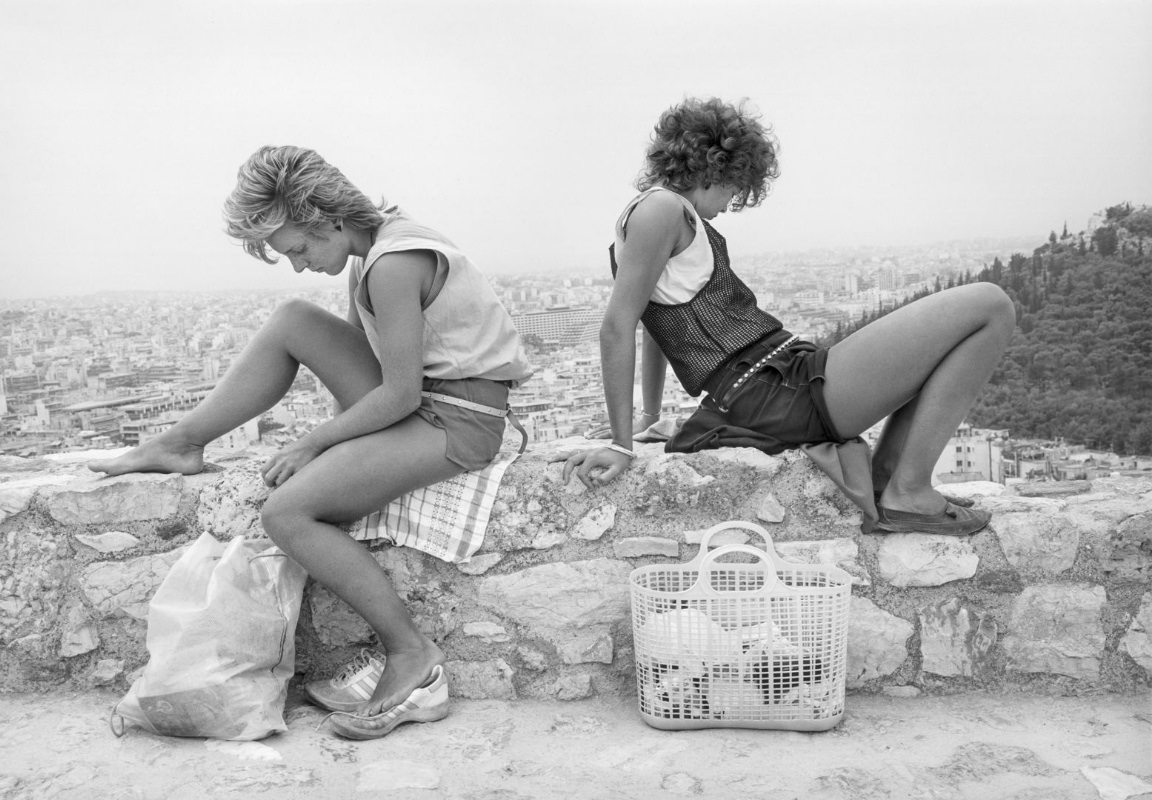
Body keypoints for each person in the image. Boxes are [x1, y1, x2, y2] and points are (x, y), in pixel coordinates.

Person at [88, 145, 532, 737]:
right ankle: (180, 442)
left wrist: (315, 445)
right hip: (430, 398)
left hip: (457, 418)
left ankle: (412, 655)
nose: (298, 263)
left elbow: (397, 396)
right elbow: (364, 364)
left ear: (325, 218)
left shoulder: (392, 264)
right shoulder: (376, 248)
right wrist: (342, 445)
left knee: (288, 512)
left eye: (297, 248)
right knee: (294, 315)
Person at [561, 97, 1015, 536]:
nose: (732, 202)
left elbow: (654, 323)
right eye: (735, 187)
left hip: (776, 380)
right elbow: (617, 327)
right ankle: (908, 493)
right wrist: (621, 443)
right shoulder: (662, 209)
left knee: (943, 342)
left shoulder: (658, 215)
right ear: (717, 168)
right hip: (772, 389)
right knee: (990, 305)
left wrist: (650, 414)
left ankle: (894, 480)